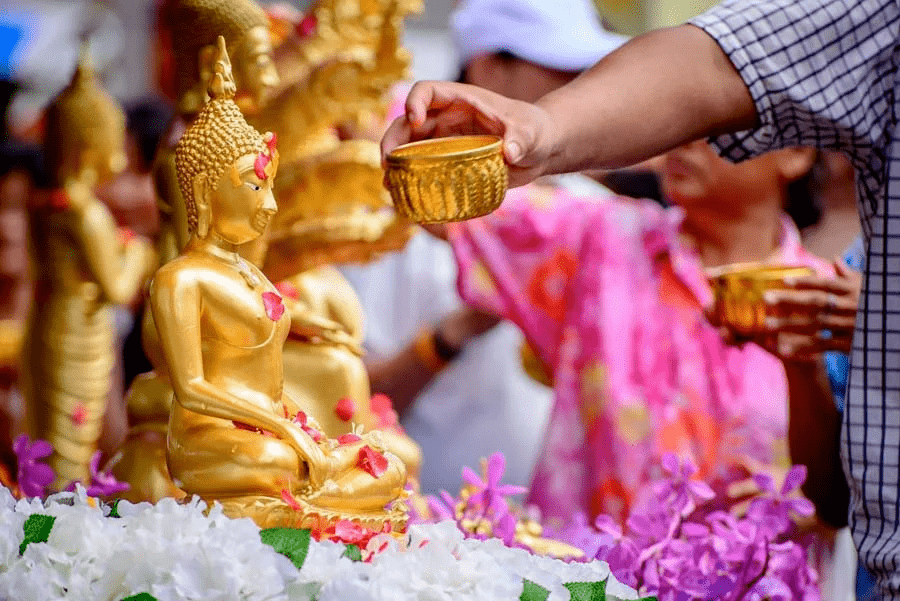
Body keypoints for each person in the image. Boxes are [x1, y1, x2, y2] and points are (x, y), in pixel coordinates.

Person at [382, 0, 900, 594]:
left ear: (794, 150)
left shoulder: (830, 298)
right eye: (674, 125)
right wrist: (448, 133)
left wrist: (801, 363)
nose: (681, 143)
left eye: (712, 126)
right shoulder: (598, 241)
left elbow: (835, 502)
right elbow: (439, 194)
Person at [339, 0, 625, 496]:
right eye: (559, 68)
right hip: (428, 521)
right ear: (488, 67)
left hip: (570, 527)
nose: (576, 88)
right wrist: (452, 334)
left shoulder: (597, 215)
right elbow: (346, 403)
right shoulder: (392, 218)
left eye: (584, 70)